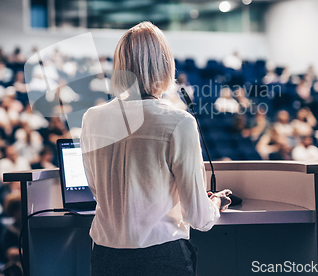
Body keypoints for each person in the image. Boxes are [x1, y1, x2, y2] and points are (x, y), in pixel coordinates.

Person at [80, 22, 231, 276]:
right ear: (165, 65)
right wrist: (214, 202)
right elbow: (198, 217)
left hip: (105, 256)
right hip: (161, 256)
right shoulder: (179, 122)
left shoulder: (91, 118)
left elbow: (97, 188)